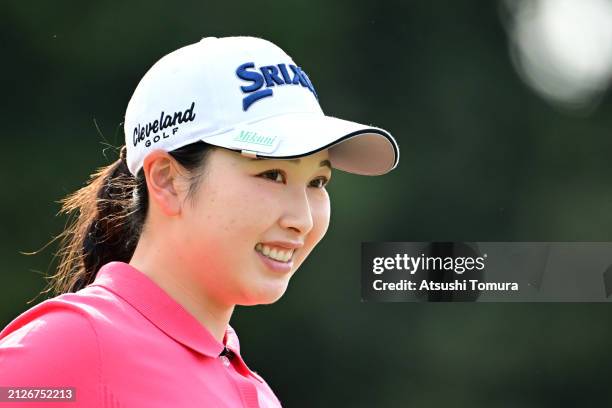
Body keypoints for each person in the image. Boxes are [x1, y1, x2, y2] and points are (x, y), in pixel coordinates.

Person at [0, 36, 399, 407]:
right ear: (167, 180)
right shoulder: (70, 348)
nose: (303, 219)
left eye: (317, 181)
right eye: (272, 175)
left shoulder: (258, 394)